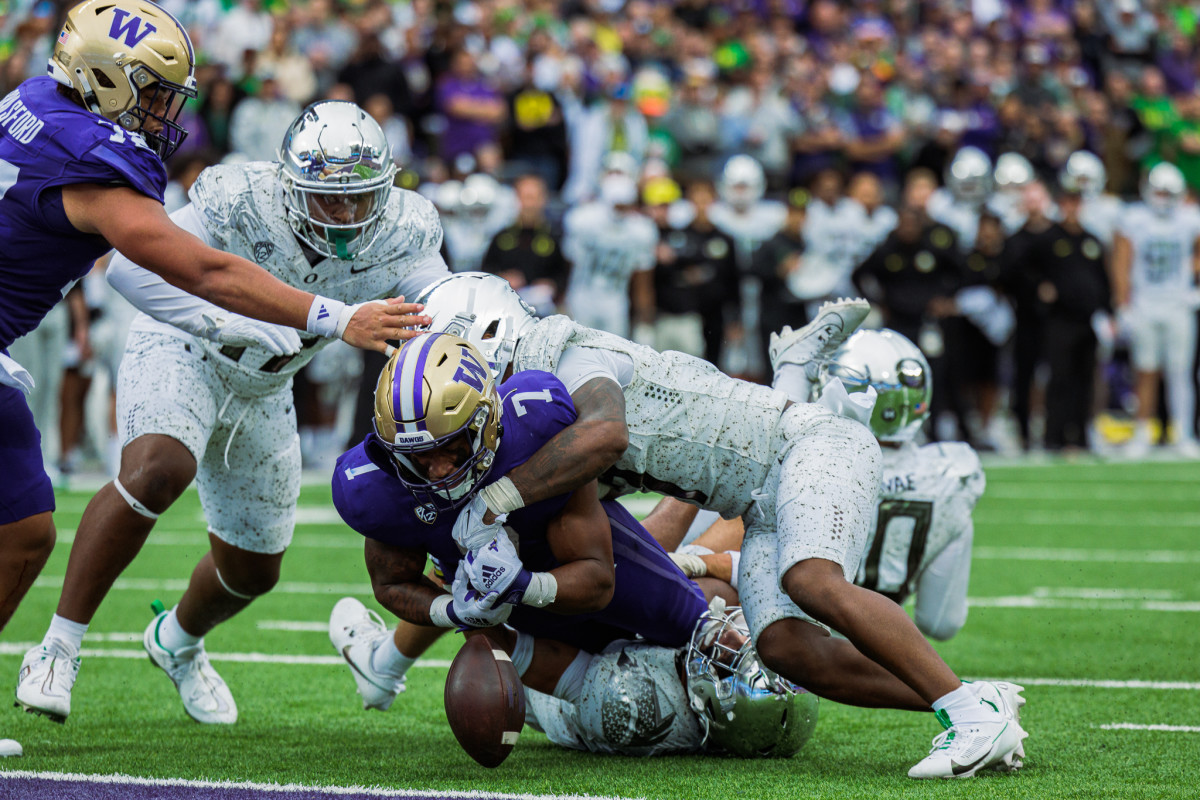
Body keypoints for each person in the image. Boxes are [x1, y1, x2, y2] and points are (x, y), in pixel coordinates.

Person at [0, 1, 412, 754]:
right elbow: (200, 269)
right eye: (154, 92)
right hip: (181, 343)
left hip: (254, 384)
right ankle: (58, 648)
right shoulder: (124, 170)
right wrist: (332, 318)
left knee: (28, 532)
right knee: (148, 470)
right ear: (100, 79)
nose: (166, 111)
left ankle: (176, 640)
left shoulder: (35, 101)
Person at [415, 273, 1028, 779]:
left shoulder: (572, 356)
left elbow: (608, 432)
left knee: (813, 579)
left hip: (812, 446)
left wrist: (496, 500)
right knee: (788, 649)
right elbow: (639, 547)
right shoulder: (538, 419)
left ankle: (969, 716)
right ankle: (974, 698)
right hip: (760, 495)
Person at [326, 333, 708, 709]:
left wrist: (521, 579)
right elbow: (392, 582)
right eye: (418, 457)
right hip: (522, 626)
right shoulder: (372, 486)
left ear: (484, 419)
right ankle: (384, 663)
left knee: (703, 636)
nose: (438, 472)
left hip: (577, 570)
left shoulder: (537, 422)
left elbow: (599, 579)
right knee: (615, 709)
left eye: (448, 447)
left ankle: (710, 546)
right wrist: (454, 611)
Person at [679, 329, 988, 643]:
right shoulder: (951, 473)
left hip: (789, 625)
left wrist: (699, 559)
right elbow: (940, 623)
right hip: (872, 642)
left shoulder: (826, 461)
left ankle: (671, 562)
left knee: (740, 479)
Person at [1112, 162, 1200, 457]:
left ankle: (1183, 433)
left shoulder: (1189, 219)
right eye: (1158, 191)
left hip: (1178, 304)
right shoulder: (1135, 218)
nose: (1162, 198)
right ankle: (1142, 433)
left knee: (1180, 372)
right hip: (1145, 303)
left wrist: (1195, 287)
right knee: (1145, 371)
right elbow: (1122, 262)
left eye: (1167, 192)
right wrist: (1123, 304)